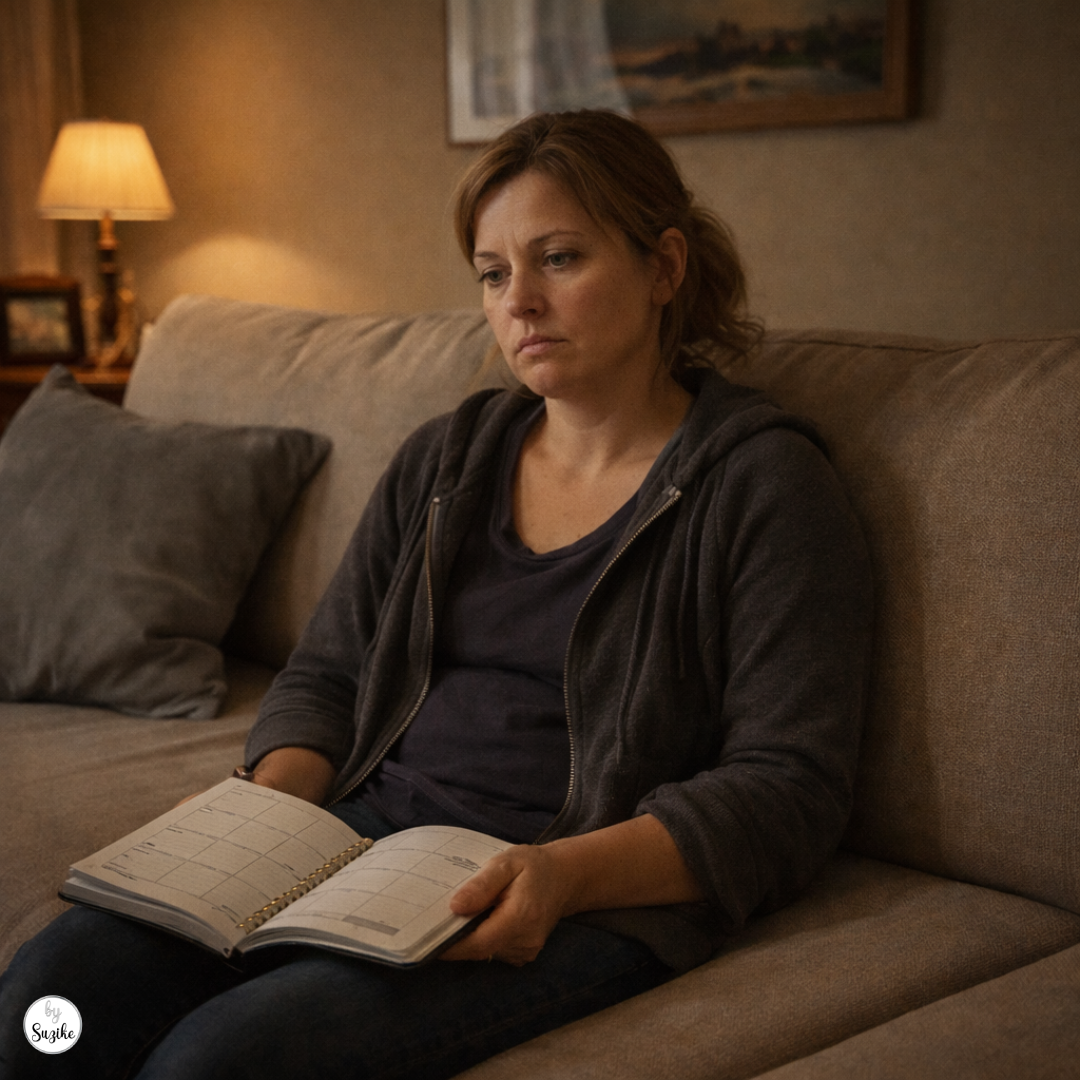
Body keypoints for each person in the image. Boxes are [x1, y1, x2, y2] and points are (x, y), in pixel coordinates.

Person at [0, 109, 872, 1079]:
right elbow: (328, 670)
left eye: (560, 259)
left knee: (219, 1063)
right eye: (495, 274)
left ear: (665, 267)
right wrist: (265, 822)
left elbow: (792, 786)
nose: (520, 303)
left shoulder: (762, 486)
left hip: (565, 873)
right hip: (363, 834)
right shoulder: (449, 459)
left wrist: (562, 876)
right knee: (55, 995)